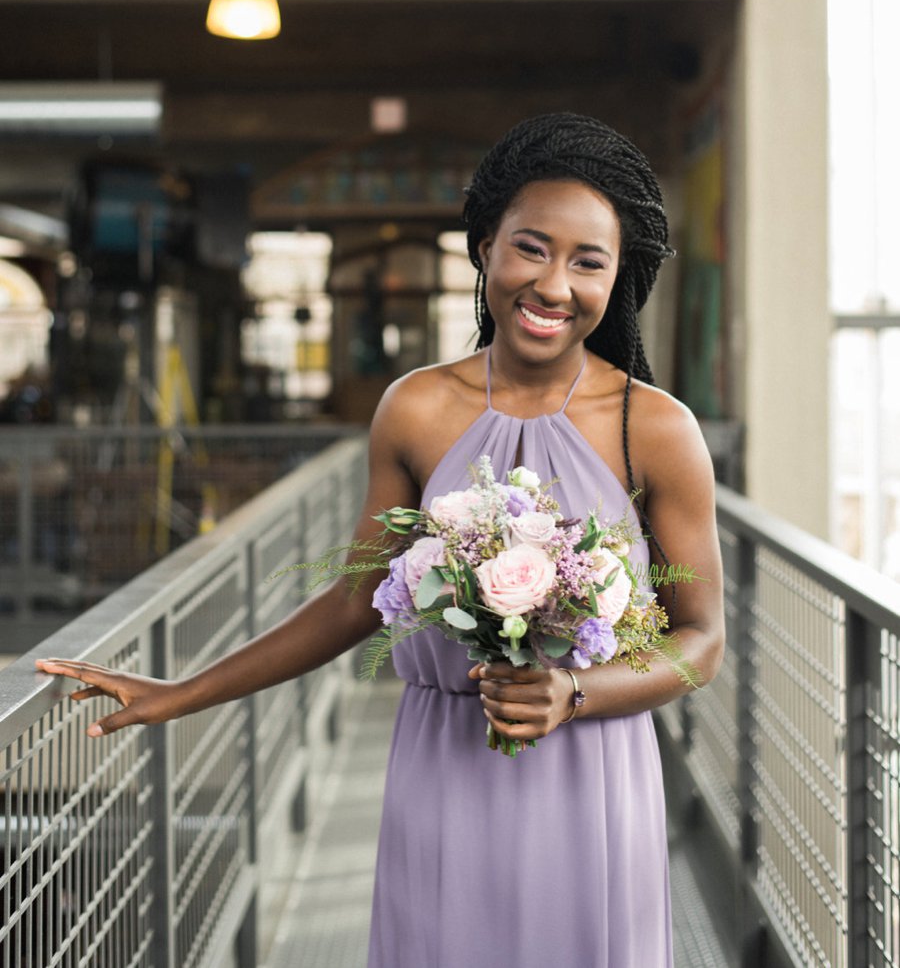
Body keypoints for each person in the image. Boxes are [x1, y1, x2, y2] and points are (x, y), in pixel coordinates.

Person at [37, 112, 724, 968]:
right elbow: (355, 600)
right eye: (530, 247)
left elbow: (702, 640)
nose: (553, 284)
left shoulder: (654, 428)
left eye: (589, 260)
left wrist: (574, 692)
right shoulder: (415, 408)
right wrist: (184, 693)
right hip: (445, 765)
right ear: (483, 248)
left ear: (619, 277)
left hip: (592, 773)